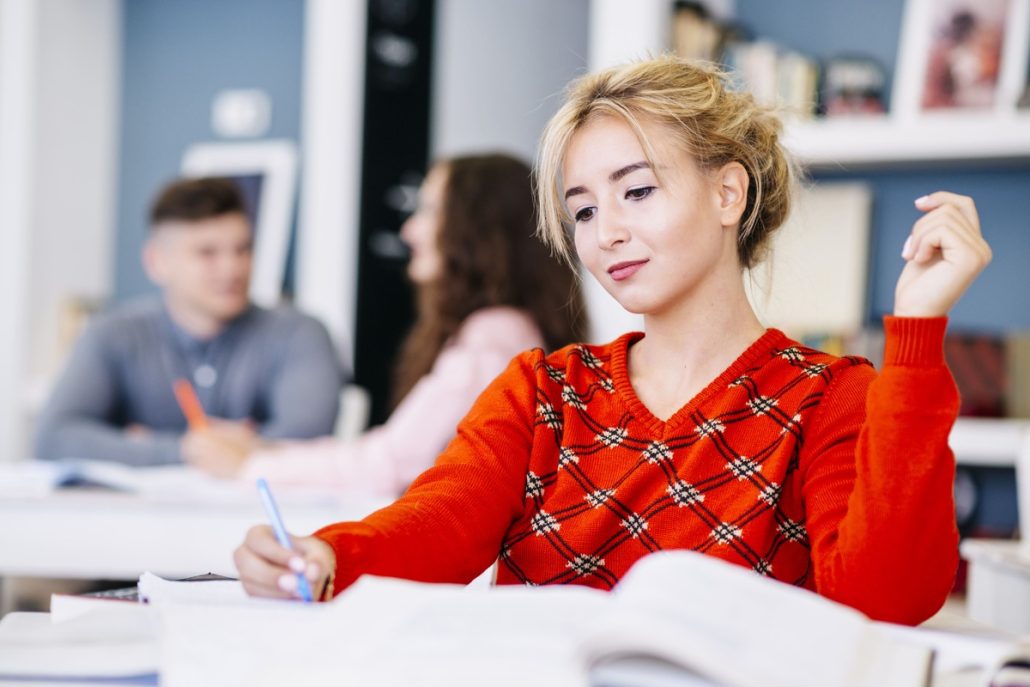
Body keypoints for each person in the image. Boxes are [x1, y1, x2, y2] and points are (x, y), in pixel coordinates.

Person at [234, 56, 992, 625]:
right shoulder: (542, 389)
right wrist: (331, 554)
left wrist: (917, 336)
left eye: (636, 190)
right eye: (584, 211)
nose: (609, 234)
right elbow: (442, 519)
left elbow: (885, 601)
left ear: (729, 192)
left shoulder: (830, 396)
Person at [224, 153, 588, 491]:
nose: (408, 231)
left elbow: (394, 463)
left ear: (479, 229)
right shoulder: (511, 327)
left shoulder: (491, 335)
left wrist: (253, 464)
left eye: (429, 210)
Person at [35, 176, 344, 470]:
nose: (232, 267)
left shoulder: (300, 334)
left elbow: (305, 446)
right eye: (207, 253)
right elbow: (54, 439)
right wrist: (183, 449)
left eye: (242, 249)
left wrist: (139, 445)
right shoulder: (112, 333)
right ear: (157, 262)